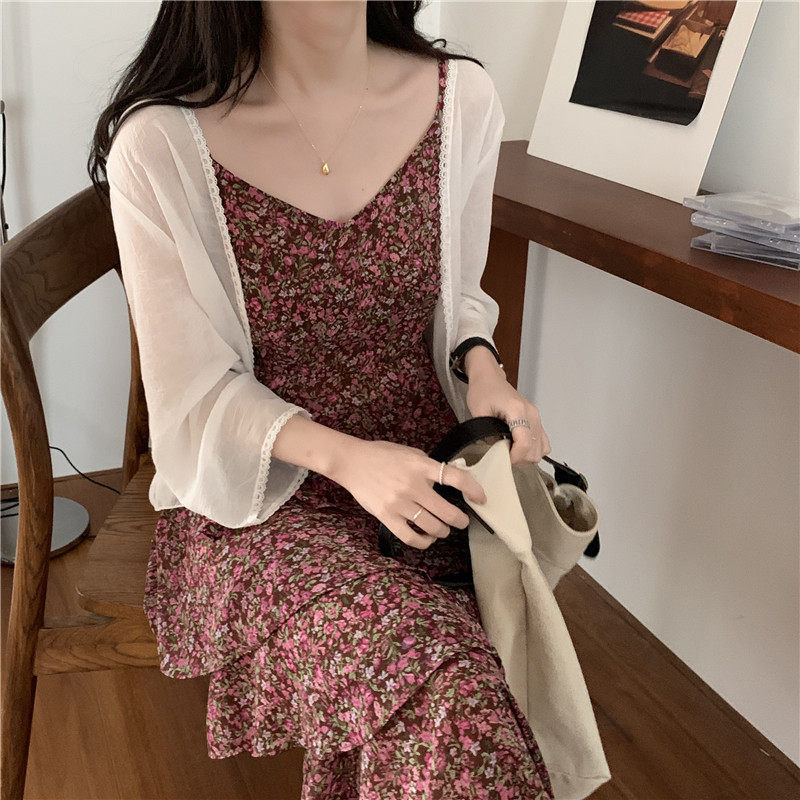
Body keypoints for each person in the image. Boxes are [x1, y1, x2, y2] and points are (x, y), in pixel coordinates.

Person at [90, 2, 553, 797]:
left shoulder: (461, 101)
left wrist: (485, 372)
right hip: (264, 498)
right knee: (448, 691)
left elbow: (458, 300)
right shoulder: (162, 145)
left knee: (445, 693)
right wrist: (350, 461)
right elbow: (191, 395)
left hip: (434, 482)